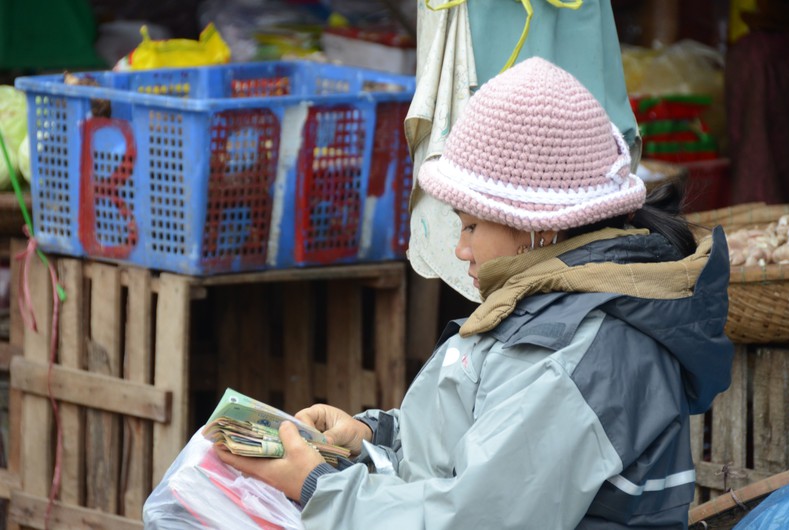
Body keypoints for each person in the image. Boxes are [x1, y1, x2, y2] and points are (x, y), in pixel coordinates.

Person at [216, 57, 734, 529]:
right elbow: (480, 440)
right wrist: (376, 436)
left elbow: (474, 517)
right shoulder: (548, 301)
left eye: (470, 227)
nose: (462, 250)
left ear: (538, 228)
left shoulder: (578, 353)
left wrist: (318, 488)